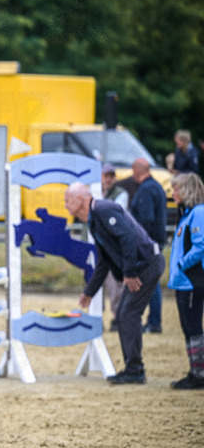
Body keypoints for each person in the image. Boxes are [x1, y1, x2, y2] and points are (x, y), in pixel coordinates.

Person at [65, 182, 165, 384]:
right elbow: (104, 260)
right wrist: (90, 291)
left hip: (148, 264)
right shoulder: (94, 220)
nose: (65, 205)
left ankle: (135, 370)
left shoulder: (104, 209)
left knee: (128, 314)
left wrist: (129, 272)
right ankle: (134, 369)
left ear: (81, 200)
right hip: (141, 265)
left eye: (67, 200)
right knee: (125, 314)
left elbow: (127, 236)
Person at [167, 173, 204, 389]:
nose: (173, 193)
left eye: (176, 189)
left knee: (193, 327)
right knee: (187, 327)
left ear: (187, 190)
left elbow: (201, 246)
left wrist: (182, 264)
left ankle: (199, 374)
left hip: (192, 280)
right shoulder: (187, 214)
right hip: (183, 282)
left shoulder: (198, 212)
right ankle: (195, 371)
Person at [128, 158, 168, 334]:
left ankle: (154, 322)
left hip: (148, 244)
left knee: (151, 283)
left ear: (137, 171)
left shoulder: (146, 189)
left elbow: (145, 220)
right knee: (152, 282)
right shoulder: (157, 187)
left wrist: (139, 243)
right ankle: (153, 320)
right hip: (156, 241)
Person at [101, 163, 129, 332]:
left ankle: (116, 318)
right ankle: (96, 317)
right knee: (95, 282)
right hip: (97, 245)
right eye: (106, 176)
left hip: (113, 246)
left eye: (111, 176)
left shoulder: (121, 194)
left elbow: (114, 213)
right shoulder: (95, 192)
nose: (109, 179)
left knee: (115, 284)